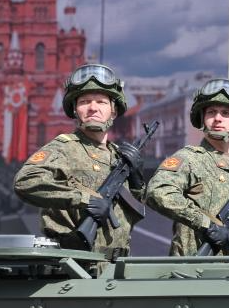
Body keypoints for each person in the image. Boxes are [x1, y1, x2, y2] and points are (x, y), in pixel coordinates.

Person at [14, 64, 145, 259]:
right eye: (84, 101)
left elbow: (132, 215)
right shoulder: (63, 147)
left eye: (101, 102)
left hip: (118, 264)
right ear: (75, 110)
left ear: (113, 111)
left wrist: (136, 182)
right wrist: (85, 200)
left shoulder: (120, 157)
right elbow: (25, 182)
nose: (93, 108)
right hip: (75, 262)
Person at [146, 78, 229, 256]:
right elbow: (158, 192)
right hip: (193, 269)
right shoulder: (189, 159)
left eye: (225, 113)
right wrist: (207, 224)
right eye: (211, 112)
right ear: (202, 118)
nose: (217, 118)